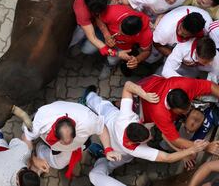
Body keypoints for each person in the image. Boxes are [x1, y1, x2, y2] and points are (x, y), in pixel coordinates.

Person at [80, 82, 208, 186]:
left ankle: (87, 97)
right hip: (120, 151)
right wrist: (192, 149)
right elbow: (167, 158)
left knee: (100, 104)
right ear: (134, 143)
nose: (152, 137)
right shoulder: (135, 150)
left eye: (149, 134)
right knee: (112, 164)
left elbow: (128, 86)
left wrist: (144, 94)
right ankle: (101, 156)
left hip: (109, 120)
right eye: (147, 139)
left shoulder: (126, 116)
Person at [22, 99, 122, 179]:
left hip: (78, 145)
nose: (66, 144)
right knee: (25, 128)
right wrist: (34, 159)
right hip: (46, 131)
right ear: (55, 130)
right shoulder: (41, 120)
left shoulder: (88, 120)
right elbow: (25, 137)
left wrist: (108, 149)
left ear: (75, 129)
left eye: (70, 141)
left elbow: (102, 129)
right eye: (63, 142)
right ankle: (40, 149)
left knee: (60, 164)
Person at [138, 75, 219, 153]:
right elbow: (175, 140)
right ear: (172, 109)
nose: (187, 112)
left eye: (189, 107)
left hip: (154, 84)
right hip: (141, 105)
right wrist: (206, 147)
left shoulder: (184, 84)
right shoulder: (160, 113)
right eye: (182, 112)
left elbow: (210, 86)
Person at [96, 4, 153, 79]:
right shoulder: (113, 11)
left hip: (122, 48)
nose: (118, 33)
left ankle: (109, 64)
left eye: (123, 34)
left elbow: (147, 51)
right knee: (88, 48)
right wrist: (106, 34)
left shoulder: (146, 34)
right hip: (105, 35)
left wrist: (137, 59)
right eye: (120, 28)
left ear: (136, 33)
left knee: (112, 59)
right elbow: (98, 18)